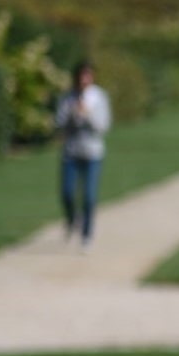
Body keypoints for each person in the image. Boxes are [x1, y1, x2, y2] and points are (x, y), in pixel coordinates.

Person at [55, 62, 112, 247]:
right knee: (67, 193)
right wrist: (72, 113)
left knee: (89, 196)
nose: (83, 80)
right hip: (71, 152)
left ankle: (87, 234)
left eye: (87, 76)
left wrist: (87, 115)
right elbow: (59, 122)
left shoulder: (99, 97)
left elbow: (103, 126)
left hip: (92, 153)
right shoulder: (68, 98)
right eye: (81, 76)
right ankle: (73, 220)